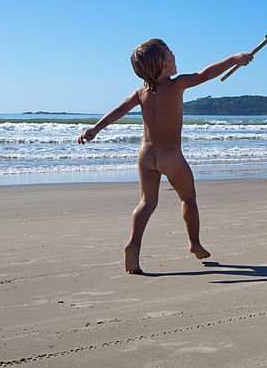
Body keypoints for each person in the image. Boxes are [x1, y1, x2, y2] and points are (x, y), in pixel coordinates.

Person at [78, 39, 252, 274]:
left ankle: (134, 244)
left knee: (146, 202)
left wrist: (95, 129)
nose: (173, 53)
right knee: (188, 198)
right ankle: (195, 243)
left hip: (147, 155)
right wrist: (234, 60)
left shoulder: (141, 93)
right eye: (169, 52)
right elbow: (207, 74)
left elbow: (117, 111)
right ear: (163, 63)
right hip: (171, 156)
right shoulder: (177, 84)